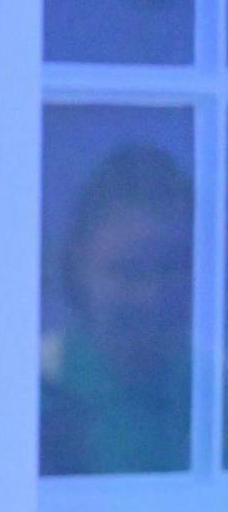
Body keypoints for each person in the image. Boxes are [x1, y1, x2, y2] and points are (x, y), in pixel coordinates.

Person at [40, 138, 191, 475]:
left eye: (170, 269)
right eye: (127, 271)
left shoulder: (214, 389)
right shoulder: (33, 388)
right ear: (78, 269)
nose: (151, 295)